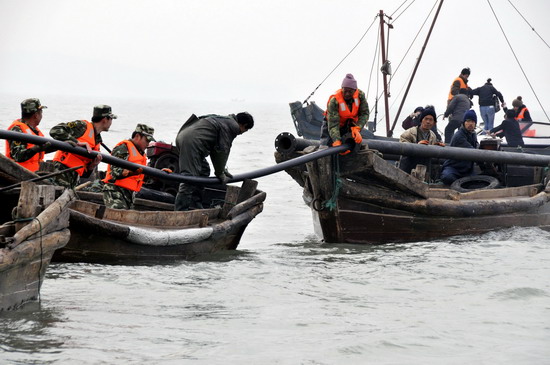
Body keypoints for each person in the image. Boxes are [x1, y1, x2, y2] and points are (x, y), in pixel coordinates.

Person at [174, 112, 254, 211]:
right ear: (244, 125)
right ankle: (180, 211)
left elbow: (215, 150)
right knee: (189, 179)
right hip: (192, 143)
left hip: (184, 136)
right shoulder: (233, 126)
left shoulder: (224, 120)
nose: (241, 133)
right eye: (244, 130)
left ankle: (195, 204)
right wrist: (220, 173)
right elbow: (222, 150)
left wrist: (222, 169)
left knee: (204, 170)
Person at [49, 105, 116, 188]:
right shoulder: (82, 126)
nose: (111, 123)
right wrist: (77, 142)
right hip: (61, 171)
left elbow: (85, 174)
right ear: (105, 119)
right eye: (111, 119)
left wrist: (92, 166)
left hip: (74, 178)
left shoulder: (97, 141)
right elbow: (55, 130)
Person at [102, 124, 155, 209]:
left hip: (129, 195)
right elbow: (115, 172)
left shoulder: (141, 155)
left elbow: (142, 176)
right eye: (147, 141)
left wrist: (160, 172)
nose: (148, 144)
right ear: (137, 136)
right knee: (118, 218)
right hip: (115, 191)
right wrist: (133, 172)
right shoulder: (123, 148)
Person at [320, 73, 370, 154]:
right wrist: (336, 140)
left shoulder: (360, 96)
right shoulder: (334, 101)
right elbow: (333, 124)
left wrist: (358, 128)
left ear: (355, 90)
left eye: (350, 91)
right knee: (325, 149)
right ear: (342, 88)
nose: (347, 94)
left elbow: (364, 113)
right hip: (332, 126)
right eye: (345, 91)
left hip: (349, 126)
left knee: (353, 149)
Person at [5, 98, 53, 172]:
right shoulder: (17, 130)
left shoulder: (33, 130)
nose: (42, 115)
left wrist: (62, 144)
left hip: (35, 173)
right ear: (36, 115)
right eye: (41, 112)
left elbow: (40, 151)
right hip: (19, 174)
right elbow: (18, 156)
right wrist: (36, 148)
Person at [398, 107, 445, 174]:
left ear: (434, 123)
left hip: (424, 168)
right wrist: (417, 146)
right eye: (426, 119)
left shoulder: (433, 136)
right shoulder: (410, 132)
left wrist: (436, 146)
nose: (428, 122)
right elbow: (402, 146)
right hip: (408, 167)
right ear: (421, 120)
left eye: (431, 120)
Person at [440, 110, 479, 185]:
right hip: (454, 168)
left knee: (477, 182)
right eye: (468, 121)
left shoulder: (473, 135)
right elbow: (473, 151)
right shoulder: (459, 136)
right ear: (464, 122)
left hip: (467, 170)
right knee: (447, 177)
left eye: (473, 121)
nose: (470, 124)